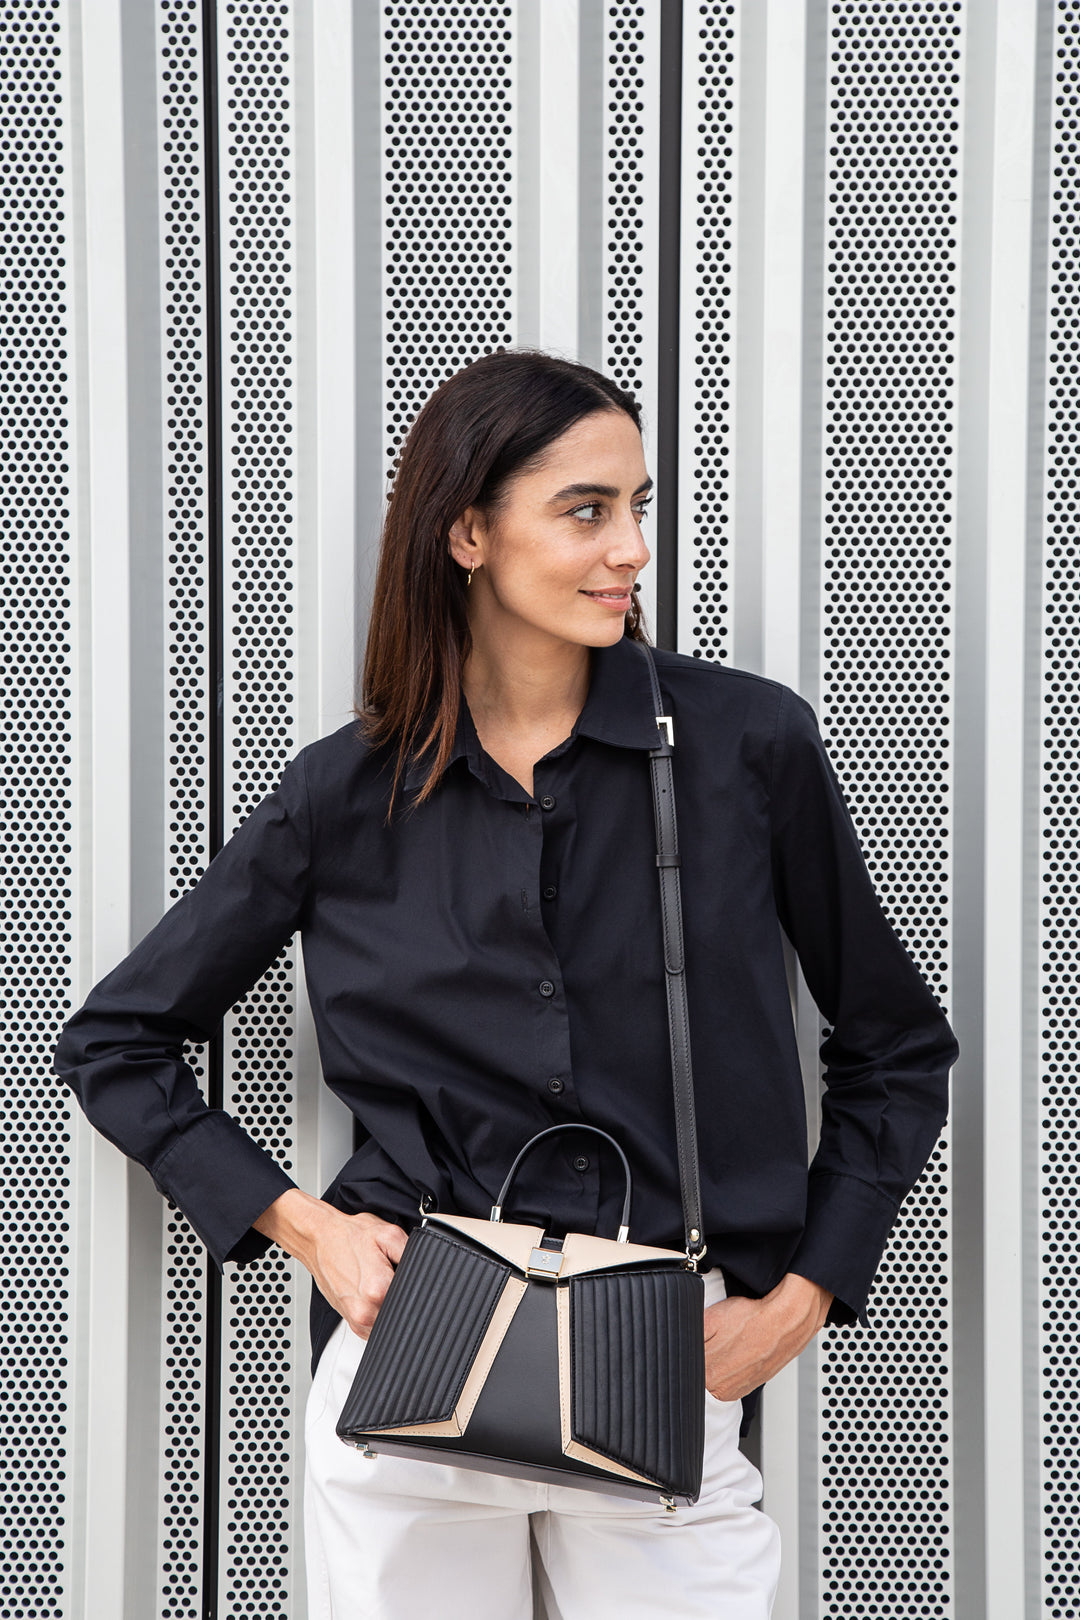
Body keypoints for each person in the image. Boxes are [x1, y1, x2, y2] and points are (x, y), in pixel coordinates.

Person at [53, 348, 960, 1619]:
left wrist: (801, 1296)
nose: (631, 549)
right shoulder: (344, 792)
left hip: (673, 1352)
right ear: (468, 531)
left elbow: (896, 1046)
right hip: (410, 1352)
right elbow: (119, 1041)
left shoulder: (749, 746)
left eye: (640, 506)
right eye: (586, 511)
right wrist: (304, 1226)